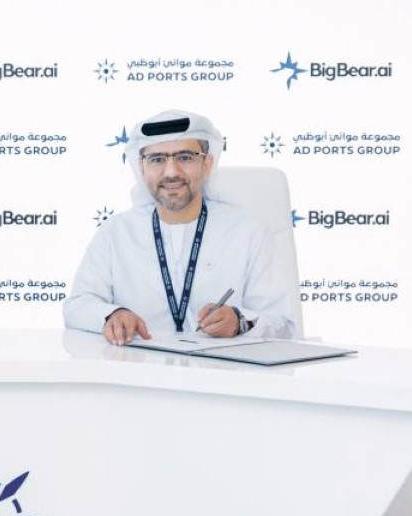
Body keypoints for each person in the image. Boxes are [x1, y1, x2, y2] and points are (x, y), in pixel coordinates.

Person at [64, 109, 298, 345]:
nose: (171, 172)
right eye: (157, 159)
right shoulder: (115, 232)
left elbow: (283, 324)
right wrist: (112, 315)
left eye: (185, 157)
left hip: (221, 367)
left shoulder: (247, 232)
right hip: (139, 365)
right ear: (142, 168)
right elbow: (77, 306)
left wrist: (240, 322)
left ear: (207, 164)